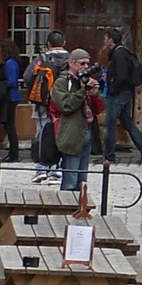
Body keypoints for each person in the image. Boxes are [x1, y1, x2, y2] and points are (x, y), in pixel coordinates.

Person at [50, 50, 103, 194]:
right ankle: (65, 209)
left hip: (87, 131)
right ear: (71, 63)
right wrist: (82, 91)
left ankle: (80, 208)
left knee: (82, 179)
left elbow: (100, 109)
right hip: (71, 133)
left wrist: (94, 93)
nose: (85, 67)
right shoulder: (61, 82)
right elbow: (66, 106)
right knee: (70, 178)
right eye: (82, 63)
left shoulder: (85, 81)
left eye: (87, 63)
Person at [100, 30, 142, 163]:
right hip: (124, 92)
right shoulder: (121, 52)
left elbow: (122, 75)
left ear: (111, 40)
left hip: (119, 94)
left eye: (106, 38)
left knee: (110, 124)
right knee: (127, 123)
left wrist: (111, 84)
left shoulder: (119, 53)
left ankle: (109, 157)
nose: (104, 40)